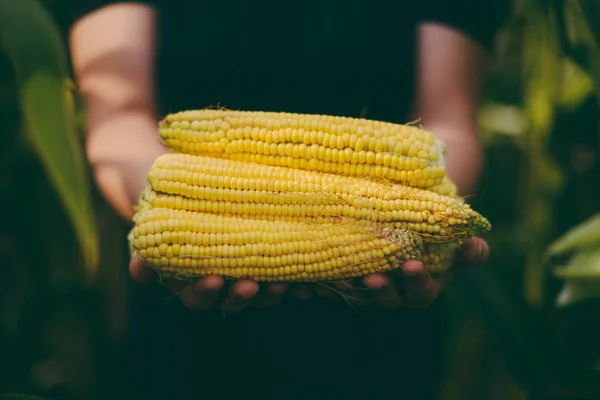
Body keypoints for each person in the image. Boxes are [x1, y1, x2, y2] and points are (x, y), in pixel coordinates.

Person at [68, 1, 503, 398]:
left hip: (381, 332)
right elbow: (119, 115)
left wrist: (427, 219)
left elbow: (450, 118)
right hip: (189, 335)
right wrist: (163, 201)